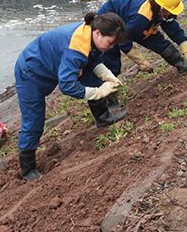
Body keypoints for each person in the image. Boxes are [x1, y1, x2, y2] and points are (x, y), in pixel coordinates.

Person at [15, 12, 129, 180]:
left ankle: (103, 117)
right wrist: (98, 92)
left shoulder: (90, 33)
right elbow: (67, 86)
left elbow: (92, 60)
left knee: (92, 78)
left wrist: (106, 75)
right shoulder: (76, 47)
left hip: (52, 63)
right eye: (110, 43)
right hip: (31, 70)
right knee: (34, 120)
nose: (111, 47)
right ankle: (28, 170)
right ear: (98, 33)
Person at [98, 0, 187, 80]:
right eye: (169, 11)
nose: (170, 14)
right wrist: (141, 61)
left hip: (134, 26)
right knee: (111, 58)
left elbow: (175, 31)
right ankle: (108, 88)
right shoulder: (141, 18)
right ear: (161, 8)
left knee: (161, 44)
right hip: (110, 21)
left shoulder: (164, 12)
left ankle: (184, 65)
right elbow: (124, 41)